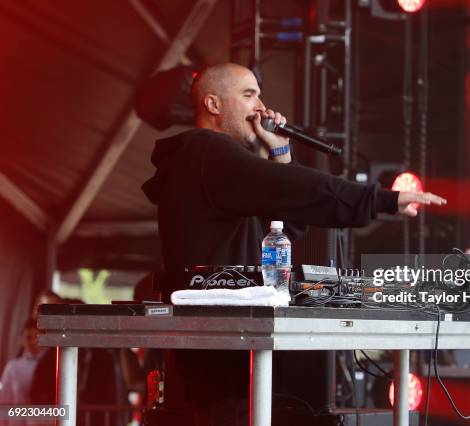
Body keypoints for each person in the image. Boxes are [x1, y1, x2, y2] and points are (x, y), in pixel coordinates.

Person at [141, 62, 446, 425]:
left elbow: (290, 221)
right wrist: (382, 199)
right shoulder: (207, 153)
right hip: (217, 353)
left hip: (225, 346)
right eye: (248, 94)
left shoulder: (213, 163)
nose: (260, 106)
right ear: (213, 104)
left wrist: (280, 152)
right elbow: (302, 190)